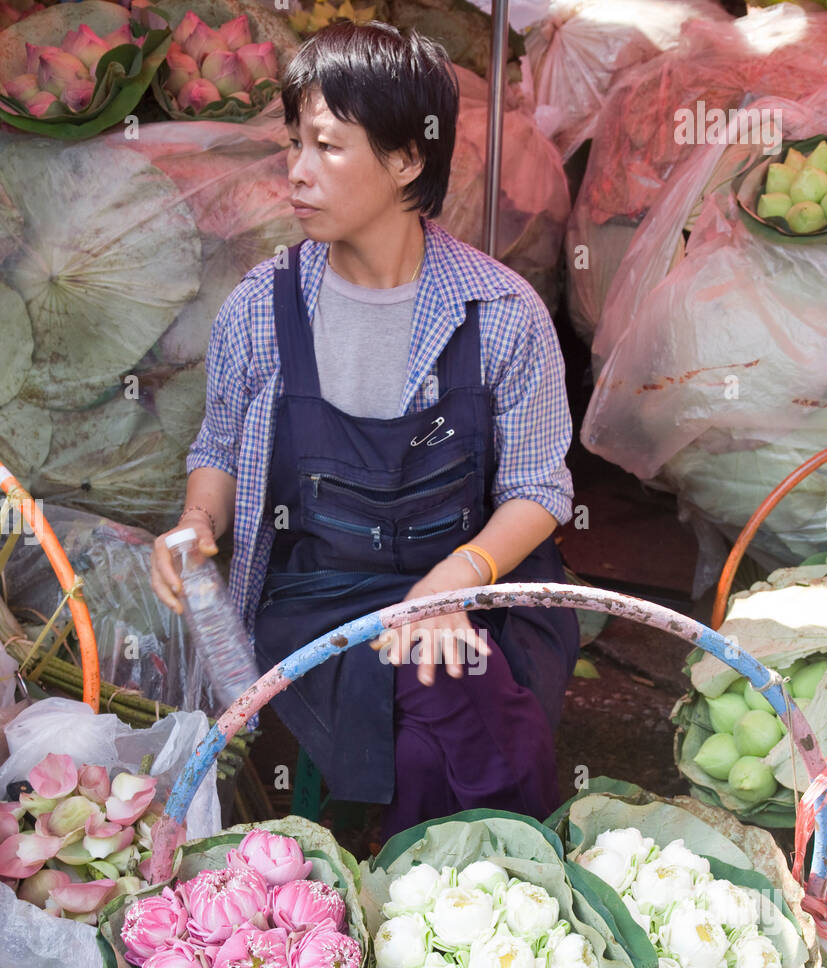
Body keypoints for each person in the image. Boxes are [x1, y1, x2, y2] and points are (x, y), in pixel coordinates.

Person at [151, 20, 580, 840]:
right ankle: (491, 873)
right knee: (443, 714)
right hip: (320, 595)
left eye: (326, 147)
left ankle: (445, 903)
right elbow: (216, 447)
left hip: (476, 583)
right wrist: (198, 525)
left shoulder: (500, 315)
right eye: (293, 144)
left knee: (447, 699)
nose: (296, 172)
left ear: (407, 158)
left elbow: (537, 490)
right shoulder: (263, 308)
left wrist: (456, 580)